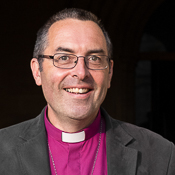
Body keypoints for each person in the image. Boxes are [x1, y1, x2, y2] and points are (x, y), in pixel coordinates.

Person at [0, 8, 174, 175]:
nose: (81, 72)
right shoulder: (2, 150)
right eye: (64, 58)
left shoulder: (159, 154)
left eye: (94, 59)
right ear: (37, 71)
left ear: (110, 73)